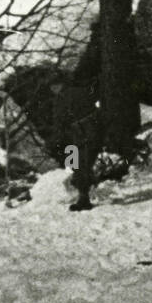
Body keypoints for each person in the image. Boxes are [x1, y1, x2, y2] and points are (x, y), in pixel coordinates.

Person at [53, 78, 103, 212]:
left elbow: (59, 120)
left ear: (57, 85)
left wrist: (58, 138)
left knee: (79, 166)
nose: (52, 90)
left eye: (53, 86)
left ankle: (83, 199)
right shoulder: (81, 91)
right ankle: (85, 193)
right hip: (94, 132)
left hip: (79, 135)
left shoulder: (61, 98)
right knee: (83, 164)